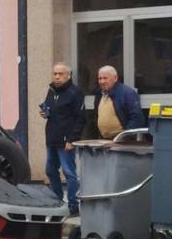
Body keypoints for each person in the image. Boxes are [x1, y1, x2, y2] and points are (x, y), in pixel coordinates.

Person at [41, 63, 84, 216]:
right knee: (50, 170)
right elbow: (50, 110)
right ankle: (58, 199)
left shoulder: (75, 92)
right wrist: (45, 113)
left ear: (69, 75)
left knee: (69, 172)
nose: (57, 77)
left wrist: (72, 139)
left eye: (60, 74)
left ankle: (73, 205)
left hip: (66, 139)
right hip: (52, 137)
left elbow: (80, 118)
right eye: (55, 74)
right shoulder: (52, 90)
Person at [93, 65, 145, 139]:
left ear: (115, 78)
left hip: (122, 142)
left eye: (105, 78)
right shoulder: (99, 94)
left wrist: (124, 137)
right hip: (104, 140)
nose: (102, 81)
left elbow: (137, 119)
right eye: (100, 78)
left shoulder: (127, 93)